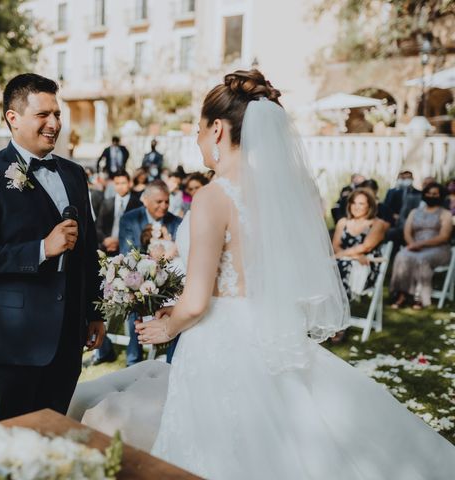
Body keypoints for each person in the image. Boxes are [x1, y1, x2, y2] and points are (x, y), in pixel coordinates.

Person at [135, 69, 455, 478]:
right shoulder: (281, 192)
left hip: (218, 340)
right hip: (268, 329)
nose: (197, 139)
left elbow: (197, 301)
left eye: (198, 130)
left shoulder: (213, 197)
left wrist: (168, 327)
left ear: (217, 129)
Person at [0, 73, 105, 422]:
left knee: (53, 432)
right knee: (12, 433)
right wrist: (42, 248)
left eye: (57, 114)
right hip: (14, 338)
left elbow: (88, 249)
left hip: (69, 336)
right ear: (13, 117)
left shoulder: (73, 173)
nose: (54, 123)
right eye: (43, 115)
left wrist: (95, 311)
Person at [117, 180, 182, 366]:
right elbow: (128, 253)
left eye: (167, 202)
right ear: (145, 200)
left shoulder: (176, 222)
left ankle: (171, 360)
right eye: (159, 202)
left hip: (169, 284)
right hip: (140, 279)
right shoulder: (130, 219)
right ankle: (134, 360)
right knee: (135, 304)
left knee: (174, 308)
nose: (164, 206)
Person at [389, 182, 453, 309]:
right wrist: (412, 244)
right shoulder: (414, 212)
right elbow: (407, 231)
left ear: (440, 196)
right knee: (401, 256)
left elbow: (444, 237)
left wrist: (421, 244)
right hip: (415, 246)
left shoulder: (445, 214)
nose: (431, 196)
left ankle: (419, 298)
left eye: (434, 194)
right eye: (428, 193)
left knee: (421, 259)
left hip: (438, 248)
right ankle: (401, 294)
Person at [333, 188, 387, 301]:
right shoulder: (342, 222)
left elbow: (365, 246)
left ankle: (340, 304)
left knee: (341, 266)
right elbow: (335, 246)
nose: (356, 206)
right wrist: (354, 256)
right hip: (351, 259)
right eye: (353, 203)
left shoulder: (377, 224)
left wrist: (342, 255)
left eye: (361, 203)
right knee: (325, 265)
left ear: (369, 206)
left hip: (366, 264)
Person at [95, 170, 142, 255]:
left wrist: (119, 241)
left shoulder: (138, 204)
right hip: (107, 247)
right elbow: (98, 227)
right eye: (117, 183)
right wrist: (106, 240)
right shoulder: (106, 203)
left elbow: (139, 230)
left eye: (123, 183)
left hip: (128, 250)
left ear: (129, 183)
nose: (120, 186)